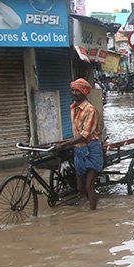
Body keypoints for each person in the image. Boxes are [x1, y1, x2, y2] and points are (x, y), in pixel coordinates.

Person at [54, 79, 103, 210]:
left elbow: (84, 135)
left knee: (89, 186)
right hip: (79, 150)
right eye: (73, 90)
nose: (74, 93)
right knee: (80, 187)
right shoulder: (73, 108)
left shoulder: (90, 110)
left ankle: (93, 215)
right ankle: (88, 206)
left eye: (77, 90)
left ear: (84, 92)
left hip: (92, 149)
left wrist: (64, 145)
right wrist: (64, 143)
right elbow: (77, 133)